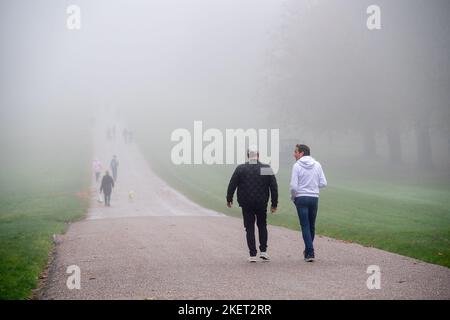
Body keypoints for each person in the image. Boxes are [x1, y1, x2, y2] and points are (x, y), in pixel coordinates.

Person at [226, 146, 278, 262]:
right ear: (258, 155)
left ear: (248, 156)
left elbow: (232, 184)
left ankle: (252, 254)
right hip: (261, 202)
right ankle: (263, 251)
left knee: (249, 227)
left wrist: (229, 198)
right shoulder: (265, 168)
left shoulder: (241, 168)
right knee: (262, 225)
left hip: (246, 202)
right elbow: (273, 187)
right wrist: (274, 203)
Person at [290, 144, 327, 262]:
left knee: (305, 225)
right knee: (311, 225)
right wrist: (313, 186)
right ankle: (308, 251)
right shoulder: (317, 165)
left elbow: (294, 186)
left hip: (301, 197)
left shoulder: (296, 166)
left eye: (296, 152)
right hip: (314, 197)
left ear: (301, 153)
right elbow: (323, 183)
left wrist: (293, 197)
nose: (294, 154)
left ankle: (310, 252)